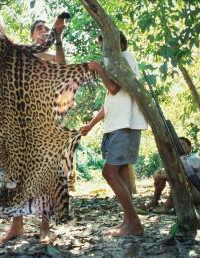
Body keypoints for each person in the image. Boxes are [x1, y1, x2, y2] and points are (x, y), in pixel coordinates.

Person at [0, 16, 67, 244]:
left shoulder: (49, 58)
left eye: (47, 29)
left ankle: (45, 227)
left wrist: (58, 38)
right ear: (32, 35)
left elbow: (62, 68)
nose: (43, 30)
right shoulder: (20, 56)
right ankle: (16, 226)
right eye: (40, 28)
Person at [80, 32, 147, 236]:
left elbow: (114, 88)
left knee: (108, 172)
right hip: (114, 124)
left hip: (125, 125)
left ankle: (135, 223)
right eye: (102, 47)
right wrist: (91, 124)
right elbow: (109, 100)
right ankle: (128, 222)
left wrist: (98, 68)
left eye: (106, 46)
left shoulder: (124, 58)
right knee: (120, 172)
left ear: (119, 44)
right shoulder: (114, 64)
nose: (103, 51)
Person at [142, 137, 200, 213]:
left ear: (189, 147)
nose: (180, 146)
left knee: (180, 177)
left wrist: (165, 175)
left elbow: (185, 173)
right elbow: (167, 170)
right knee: (162, 176)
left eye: (183, 144)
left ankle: (167, 206)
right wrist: (159, 172)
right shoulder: (179, 159)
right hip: (191, 193)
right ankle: (154, 201)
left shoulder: (195, 158)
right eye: (178, 144)